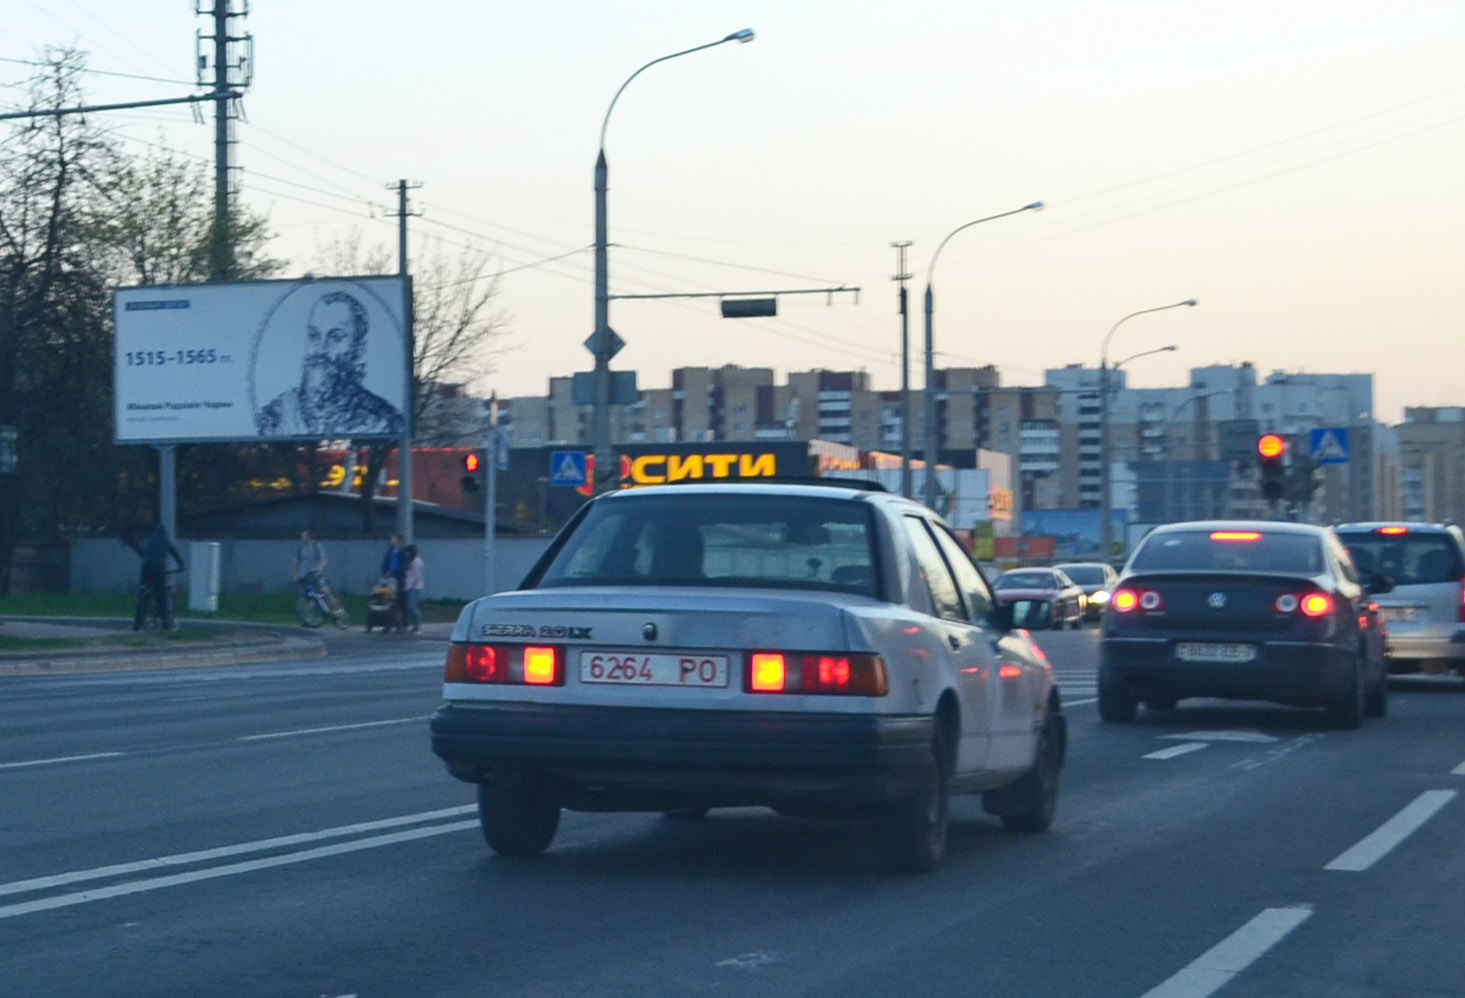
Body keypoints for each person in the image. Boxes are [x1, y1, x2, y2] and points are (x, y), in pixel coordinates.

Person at [255, 290, 405, 437]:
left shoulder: (382, 422)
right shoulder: (275, 416)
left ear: (358, 350)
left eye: (335, 337)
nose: (321, 348)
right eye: (314, 336)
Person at [130, 523, 184, 631]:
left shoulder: (150, 540)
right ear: (165, 533)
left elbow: (146, 553)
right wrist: (182, 565)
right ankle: (165, 622)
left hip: (145, 567)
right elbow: (175, 554)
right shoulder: (166, 541)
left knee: (142, 592)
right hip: (159, 567)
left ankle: (137, 624)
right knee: (161, 595)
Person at [293, 529, 342, 616]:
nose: (302, 538)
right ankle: (306, 616)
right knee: (305, 596)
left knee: (324, 590)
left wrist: (319, 568)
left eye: (303, 536)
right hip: (304, 575)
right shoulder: (300, 548)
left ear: (309, 537)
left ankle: (335, 609)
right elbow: (297, 563)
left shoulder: (317, 546)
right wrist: (296, 575)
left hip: (315, 573)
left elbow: (323, 559)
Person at [380, 532, 408, 630]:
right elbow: (384, 564)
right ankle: (388, 624)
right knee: (388, 601)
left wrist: (393, 571)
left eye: (393, 538)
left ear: (399, 540)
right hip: (389, 579)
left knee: (399, 602)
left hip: (398, 579)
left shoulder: (403, 552)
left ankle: (403, 623)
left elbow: (404, 566)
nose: (391, 540)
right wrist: (385, 573)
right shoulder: (389, 552)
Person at [402, 544, 425, 633]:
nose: (406, 554)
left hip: (415, 587)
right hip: (412, 586)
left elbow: (414, 577)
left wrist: (407, 587)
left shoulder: (416, 562)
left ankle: (418, 625)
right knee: (411, 607)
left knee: (413, 607)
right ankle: (415, 625)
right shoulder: (413, 561)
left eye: (408, 552)